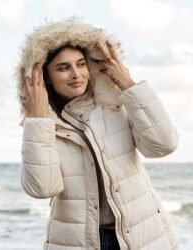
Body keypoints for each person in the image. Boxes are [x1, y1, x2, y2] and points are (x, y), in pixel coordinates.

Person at [17, 17, 179, 250]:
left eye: (81, 64)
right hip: (77, 243)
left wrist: (128, 84)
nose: (76, 74)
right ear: (46, 77)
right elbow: (42, 188)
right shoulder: (41, 125)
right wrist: (37, 121)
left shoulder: (115, 105)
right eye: (63, 68)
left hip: (144, 237)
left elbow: (164, 145)